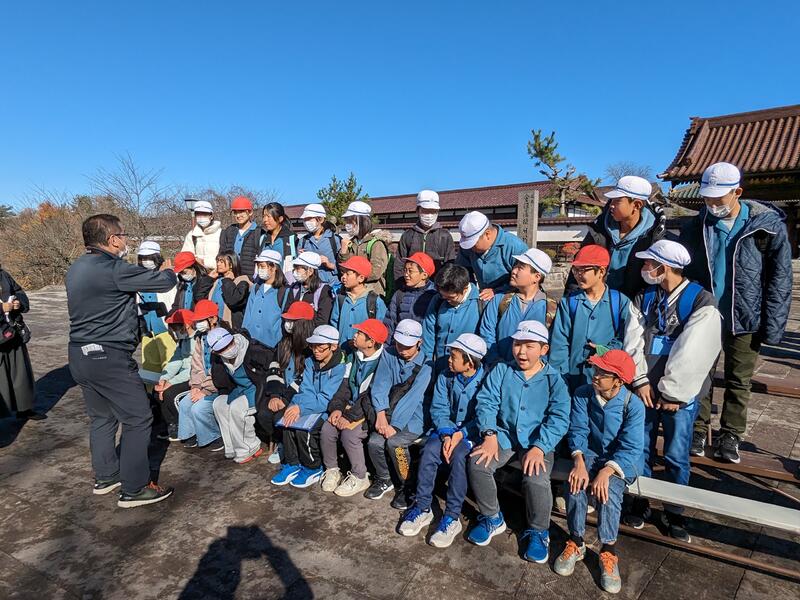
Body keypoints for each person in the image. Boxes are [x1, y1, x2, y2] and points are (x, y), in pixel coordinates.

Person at [680, 162, 793, 463]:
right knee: (699, 373)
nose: (711, 204)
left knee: (738, 379)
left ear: (737, 192)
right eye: (707, 198)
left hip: (745, 314)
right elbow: (684, 270)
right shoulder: (696, 227)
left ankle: (731, 433)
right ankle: (698, 428)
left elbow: (780, 278)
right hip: (705, 313)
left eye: (718, 198)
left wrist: (773, 325)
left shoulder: (766, 226)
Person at [66, 214, 176, 507]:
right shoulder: (114, 269)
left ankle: (106, 476)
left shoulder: (76, 268)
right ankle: (135, 488)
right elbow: (162, 282)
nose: (126, 241)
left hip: (79, 354)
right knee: (139, 417)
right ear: (113, 239)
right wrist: (169, 270)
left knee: (102, 417)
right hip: (109, 356)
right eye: (124, 235)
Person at [623, 240, 721, 542]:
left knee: (676, 454)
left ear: (662, 267)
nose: (644, 268)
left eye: (648, 264)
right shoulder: (644, 297)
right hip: (645, 389)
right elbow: (633, 340)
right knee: (641, 447)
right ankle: (640, 500)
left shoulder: (701, 301)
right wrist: (640, 380)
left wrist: (673, 392)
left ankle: (675, 510)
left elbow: (695, 351)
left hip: (679, 397)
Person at [467, 320, 570, 563]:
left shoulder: (554, 379)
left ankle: (538, 531)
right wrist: (489, 434)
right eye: (517, 344)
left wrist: (540, 447)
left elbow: (559, 417)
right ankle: (492, 517)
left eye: (529, 346)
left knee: (536, 478)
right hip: (504, 435)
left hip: (537, 441)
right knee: (478, 464)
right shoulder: (502, 370)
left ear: (544, 349)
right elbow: (487, 401)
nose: (521, 352)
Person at [554, 350, 644, 595]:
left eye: (604, 373)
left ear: (618, 381)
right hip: (589, 455)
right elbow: (578, 429)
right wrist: (578, 460)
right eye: (596, 369)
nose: (596, 375)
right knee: (576, 483)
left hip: (621, 461)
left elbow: (632, 445)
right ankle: (576, 540)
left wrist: (608, 470)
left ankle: (608, 550)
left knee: (609, 490)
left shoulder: (632, 404)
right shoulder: (583, 394)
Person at [398, 333, 487, 548]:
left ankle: (452, 516)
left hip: (470, 434)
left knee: (459, 457)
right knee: (429, 451)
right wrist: (447, 433)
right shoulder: (445, 376)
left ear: (469, 362)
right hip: (445, 429)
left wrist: (461, 434)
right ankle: (422, 506)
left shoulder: (485, 382)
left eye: (454, 356)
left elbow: (484, 415)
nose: (449, 360)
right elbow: (439, 407)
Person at [365, 319, 432, 510]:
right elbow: (380, 385)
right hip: (388, 411)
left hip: (415, 416)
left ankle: (407, 484)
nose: (402, 349)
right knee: (374, 442)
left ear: (419, 343)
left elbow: (413, 398)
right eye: (399, 344)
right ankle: (384, 478)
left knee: (396, 444)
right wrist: (380, 414)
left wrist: (394, 426)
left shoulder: (427, 365)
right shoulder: (389, 354)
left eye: (407, 346)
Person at [270, 324, 347, 488]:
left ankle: (313, 467)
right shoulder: (311, 362)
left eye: (320, 347)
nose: (315, 351)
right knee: (287, 422)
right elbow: (305, 388)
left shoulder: (340, 367)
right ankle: (292, 463)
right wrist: (296, 406)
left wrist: (301, 408)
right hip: (306, 404)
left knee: (303, 430)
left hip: (325, 409)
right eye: (313, 346)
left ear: (333, 347)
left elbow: (326, 398)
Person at [566, 176, 666, 299]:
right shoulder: (599, 229)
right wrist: (571, 299)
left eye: (617, 201)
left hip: (633, 304)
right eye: (611, 200)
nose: (611, 205)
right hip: (595, 301)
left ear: (637, 205)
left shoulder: (654, 237)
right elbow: (580, 266)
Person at [320, 318, 387, 496]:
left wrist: (349, 417)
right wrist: (337, 408)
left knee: (350, 434)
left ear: (371, 342)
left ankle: (360, 476)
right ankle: (332, 470)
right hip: (350, 408)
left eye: (359, 333)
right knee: (328, 428)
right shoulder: (353, 356)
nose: (354, 336)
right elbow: (345, 386)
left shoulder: (383, 362)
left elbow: (370, 396)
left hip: (369, 411)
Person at [550, 245, 630, 392]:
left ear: (601, 271)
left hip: (606, 380)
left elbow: (625, 337)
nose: (578, 275)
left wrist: (606, 351)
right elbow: (559, 343)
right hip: (572, 378)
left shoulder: (619, 302)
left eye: (584, 270)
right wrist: (560, 380)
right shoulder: (569, 302)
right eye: (575, 270)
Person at [257, 301, 316, 463]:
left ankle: (285, 445)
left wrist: (285, 399)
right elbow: (274, 367)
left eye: (292, 321)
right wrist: (275, 395)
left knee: (280, 416)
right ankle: (278, 439)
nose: (287, 324)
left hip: (298, 396)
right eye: (287, 320)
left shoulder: (311, 349)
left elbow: (303, 378)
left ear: (302, 324)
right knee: (263, 414)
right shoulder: (283, 343)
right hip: (280, 392)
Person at [479, 247, 552, 365]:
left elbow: (554, 345)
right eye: (515, 266)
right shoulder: (500, 299)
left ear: (537, 277)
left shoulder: (551, 308)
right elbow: (487, 332)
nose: (513, 271)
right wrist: (496, 363)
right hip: (498, 368)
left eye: (520, 268)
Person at [153, 309, 216, 445]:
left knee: (170, 394)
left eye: (176, 327)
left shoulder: (196, 339)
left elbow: (193, 368)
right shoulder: (182, 340)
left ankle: (182, 426)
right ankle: (171, 424)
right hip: (182, 376)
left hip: (194, 377)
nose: (174, 331)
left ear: (186, 325)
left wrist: (171, 382)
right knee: (157, 392)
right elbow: (175, 360)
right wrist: (164, 378)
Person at [210, 327, 264, 464]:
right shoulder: (220, 358)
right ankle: (232, 446)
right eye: (222, 349)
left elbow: (265, 375)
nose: (228, 349)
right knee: (219, 404)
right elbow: (220, 382)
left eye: (229, 344)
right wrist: (216, 363)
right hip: (240, 389)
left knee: (237, 408)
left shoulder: (253, 349)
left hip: (258, 389)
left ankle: (249, 446)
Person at [177, 300, 224, 449]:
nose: (198, 324)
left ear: (213, 319)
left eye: (201, 320)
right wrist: (196, 386)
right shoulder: (201, 338)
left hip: (219, 387)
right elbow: (196, 364)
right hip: (203, 385)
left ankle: (214, 436)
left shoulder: (223, 337)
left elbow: (220, 372)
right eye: (197, 321)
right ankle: (191, 434)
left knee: (199, 408)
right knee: (185, 403)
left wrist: (205, 390)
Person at [421, 263, 484, 373]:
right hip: (440, 367)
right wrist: (427, 367)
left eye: (451, 297)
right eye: (443, 296)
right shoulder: (438, 300)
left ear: (465, 289)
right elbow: (428, 336)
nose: (446, 300)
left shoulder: (481, 303)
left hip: (466, 370)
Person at [456, 211, 528, 300]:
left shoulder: (515, 246)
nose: (470, 248)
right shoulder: (467, 248)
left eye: (473, 244)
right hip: (481, 297)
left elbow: (525, 280)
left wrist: (497, 291)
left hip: (509, 298)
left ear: (487, 234)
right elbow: (463, 271)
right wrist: (470, 290)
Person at [0, 263, 40, 420]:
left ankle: (24, 408)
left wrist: (18, 303)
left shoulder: (3, 274)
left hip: (11, 331)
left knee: (20, 372)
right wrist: (2, 309)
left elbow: (18, 291)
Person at [393, 190, 457, 286]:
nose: (429, 215)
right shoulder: (407, 235)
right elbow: (399, 263)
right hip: (411, 287)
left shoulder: (445, 236)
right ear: (417, 211)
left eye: (433, 211)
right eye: (426, 211)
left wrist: (444, 287)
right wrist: (401, 286)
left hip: (437, 287)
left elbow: (450, 265)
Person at [136, 241, 177, 377]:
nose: (146, 261)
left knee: (170, 366)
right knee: (149, 369)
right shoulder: (136, 278)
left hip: (165, 329)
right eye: (143, 258)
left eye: (149, 257)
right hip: (147, 331)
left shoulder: (168, 276)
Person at [337, 200, 393, 296]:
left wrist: (354, 278)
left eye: (350, 221)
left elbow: (376, 272)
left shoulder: (376, 244)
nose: (347, 224)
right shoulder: (350, 243)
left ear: (361, 221)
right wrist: (343, 253)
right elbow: (343, 270)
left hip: (370, 294)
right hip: (351, 293)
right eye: (346, 221)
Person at [330, 256, 387, 347]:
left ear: (361, 278)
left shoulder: (375, 302)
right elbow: (334, 323)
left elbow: (381, 329)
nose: (343, 277)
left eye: (348, 274)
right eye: (343, 273)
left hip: (364, 351)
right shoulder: (341, 298)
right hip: (342, 350)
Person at [383, 252, 438, 341]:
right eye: (405, 270)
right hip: (399, 344)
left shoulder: (435, 296)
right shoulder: (399, 294)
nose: (406, 274)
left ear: (424, 275)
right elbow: (390, 323)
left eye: (410, 271)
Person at [241, 250, 290, 348]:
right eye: (258, 266)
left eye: (262, 266)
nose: (260, 269)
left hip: (271, 344)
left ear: (274, 267)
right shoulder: (256, 287)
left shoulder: (284, 291)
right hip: (251, 341)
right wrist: (244, 334)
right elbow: (248, 313)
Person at [297, 203, 341, 291]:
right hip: (310, 286)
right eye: (304, 219)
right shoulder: (303, 241)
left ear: (320, 219)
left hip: (331, 287)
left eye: (309, 219)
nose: (306, 222)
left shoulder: (335, 240)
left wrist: (330, 265)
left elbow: (344, 266)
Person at [218, 196, 265, 277]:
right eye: (235, 212)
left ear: (250, 212)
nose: (238, 215)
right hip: (229, 277)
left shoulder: (259, 233)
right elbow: (222, 254)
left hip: (249, 278)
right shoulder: (229, 231)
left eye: (241, 212)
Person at [288, 252, 334, 326]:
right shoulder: (294, 288)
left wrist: (302, 328)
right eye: (294, 268)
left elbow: (322, 320)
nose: (295, 272)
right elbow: (287, 311)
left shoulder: (323, 290)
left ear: (310, 271)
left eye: (298, 268)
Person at [207, 252, 251, 329]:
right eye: (217, 261)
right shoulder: (216, 280)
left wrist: (228, 281)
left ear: (231, 265)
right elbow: (199, 296)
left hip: (230, 327)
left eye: (221, 262)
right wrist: (208, 279)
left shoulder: (242, 281)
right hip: (213, 325)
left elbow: (234, 300)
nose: (218, 264)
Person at [182, 200, 222, 270]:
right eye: (198, 214)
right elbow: (185, 256)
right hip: (198, 272)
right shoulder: (192, 234)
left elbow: (225, 258)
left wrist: (205, 262)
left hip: (217, 272)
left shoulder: (221, 233)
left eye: (204, 214)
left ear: (211, 216)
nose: (201, 217)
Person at [261, 202, 297, 272]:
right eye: (263, 216)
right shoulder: (262, 238)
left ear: (280, 219)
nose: (265, 220)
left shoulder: (291, 239)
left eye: (268, 216)